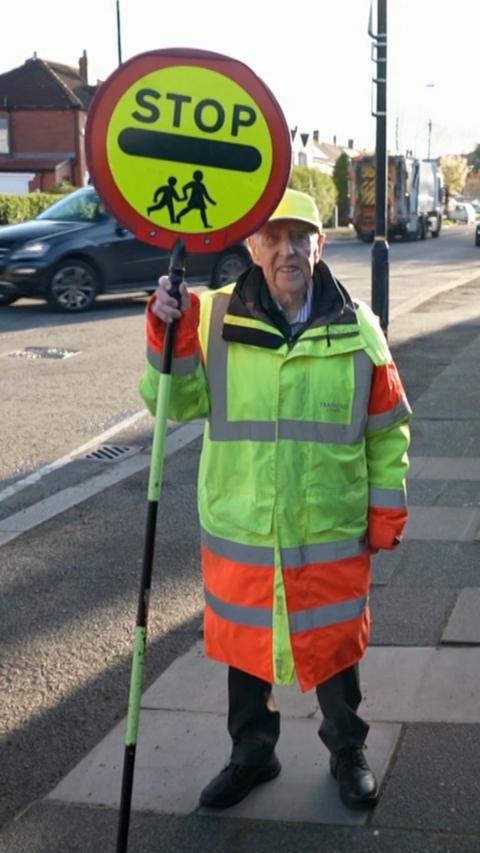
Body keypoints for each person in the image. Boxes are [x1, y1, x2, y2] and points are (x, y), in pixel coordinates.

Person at [139, 188, 411, 811]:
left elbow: (387, 424)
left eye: (301, 237)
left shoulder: (358, 327)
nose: (288, 250)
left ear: (319, 244)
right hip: (247, 528)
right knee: (246, 650)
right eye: (274, 237)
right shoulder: (210, 319)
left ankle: (348, 752)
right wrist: (165, 328)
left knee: (336, 647)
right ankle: (251, 756)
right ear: (253, 246)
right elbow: (171, 405)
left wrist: (386, 509)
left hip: (329, 528)